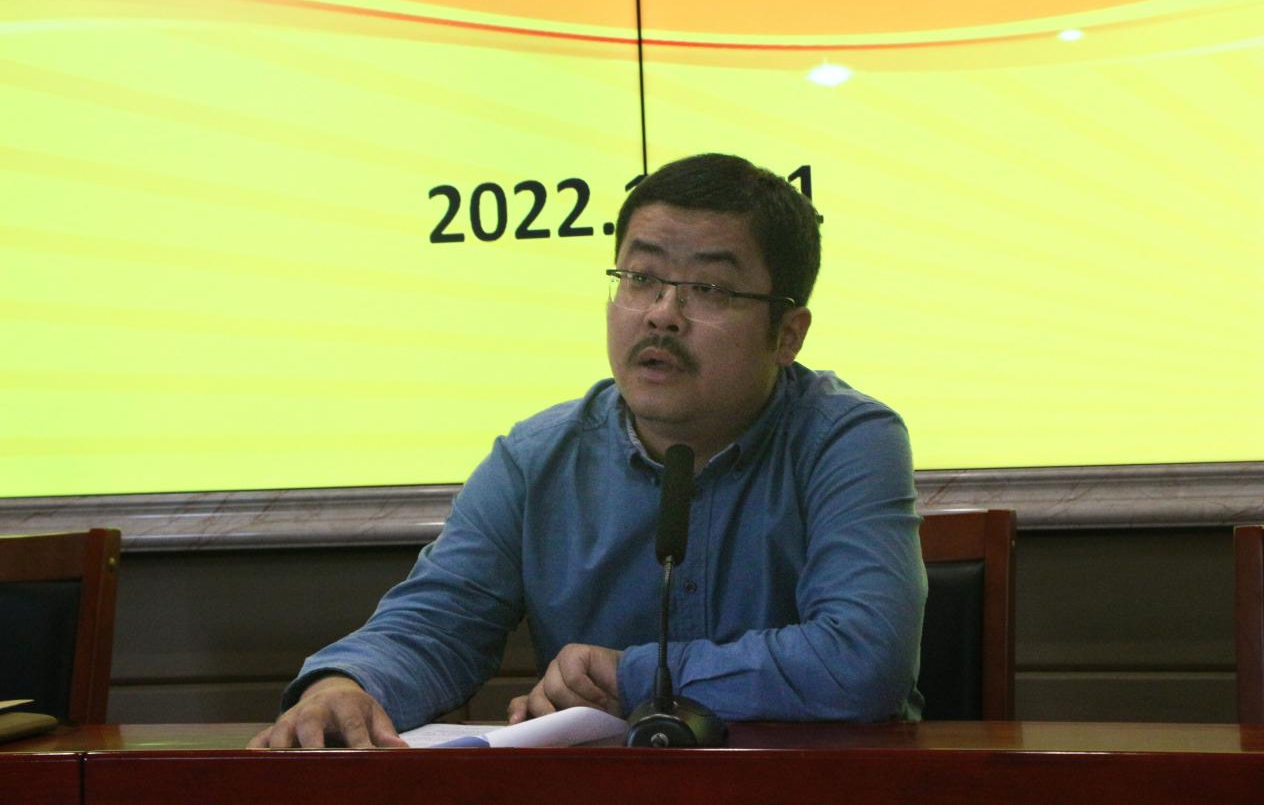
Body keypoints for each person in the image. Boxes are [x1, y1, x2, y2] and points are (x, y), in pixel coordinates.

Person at [250, 153, 926, 749]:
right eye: (640, 277)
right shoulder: (536, 459)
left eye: (711, 289)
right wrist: (345, 683)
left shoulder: (846, 439)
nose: (661, 313)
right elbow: (438, 622)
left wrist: (630, 674)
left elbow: (862, 661)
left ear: (788, 335)